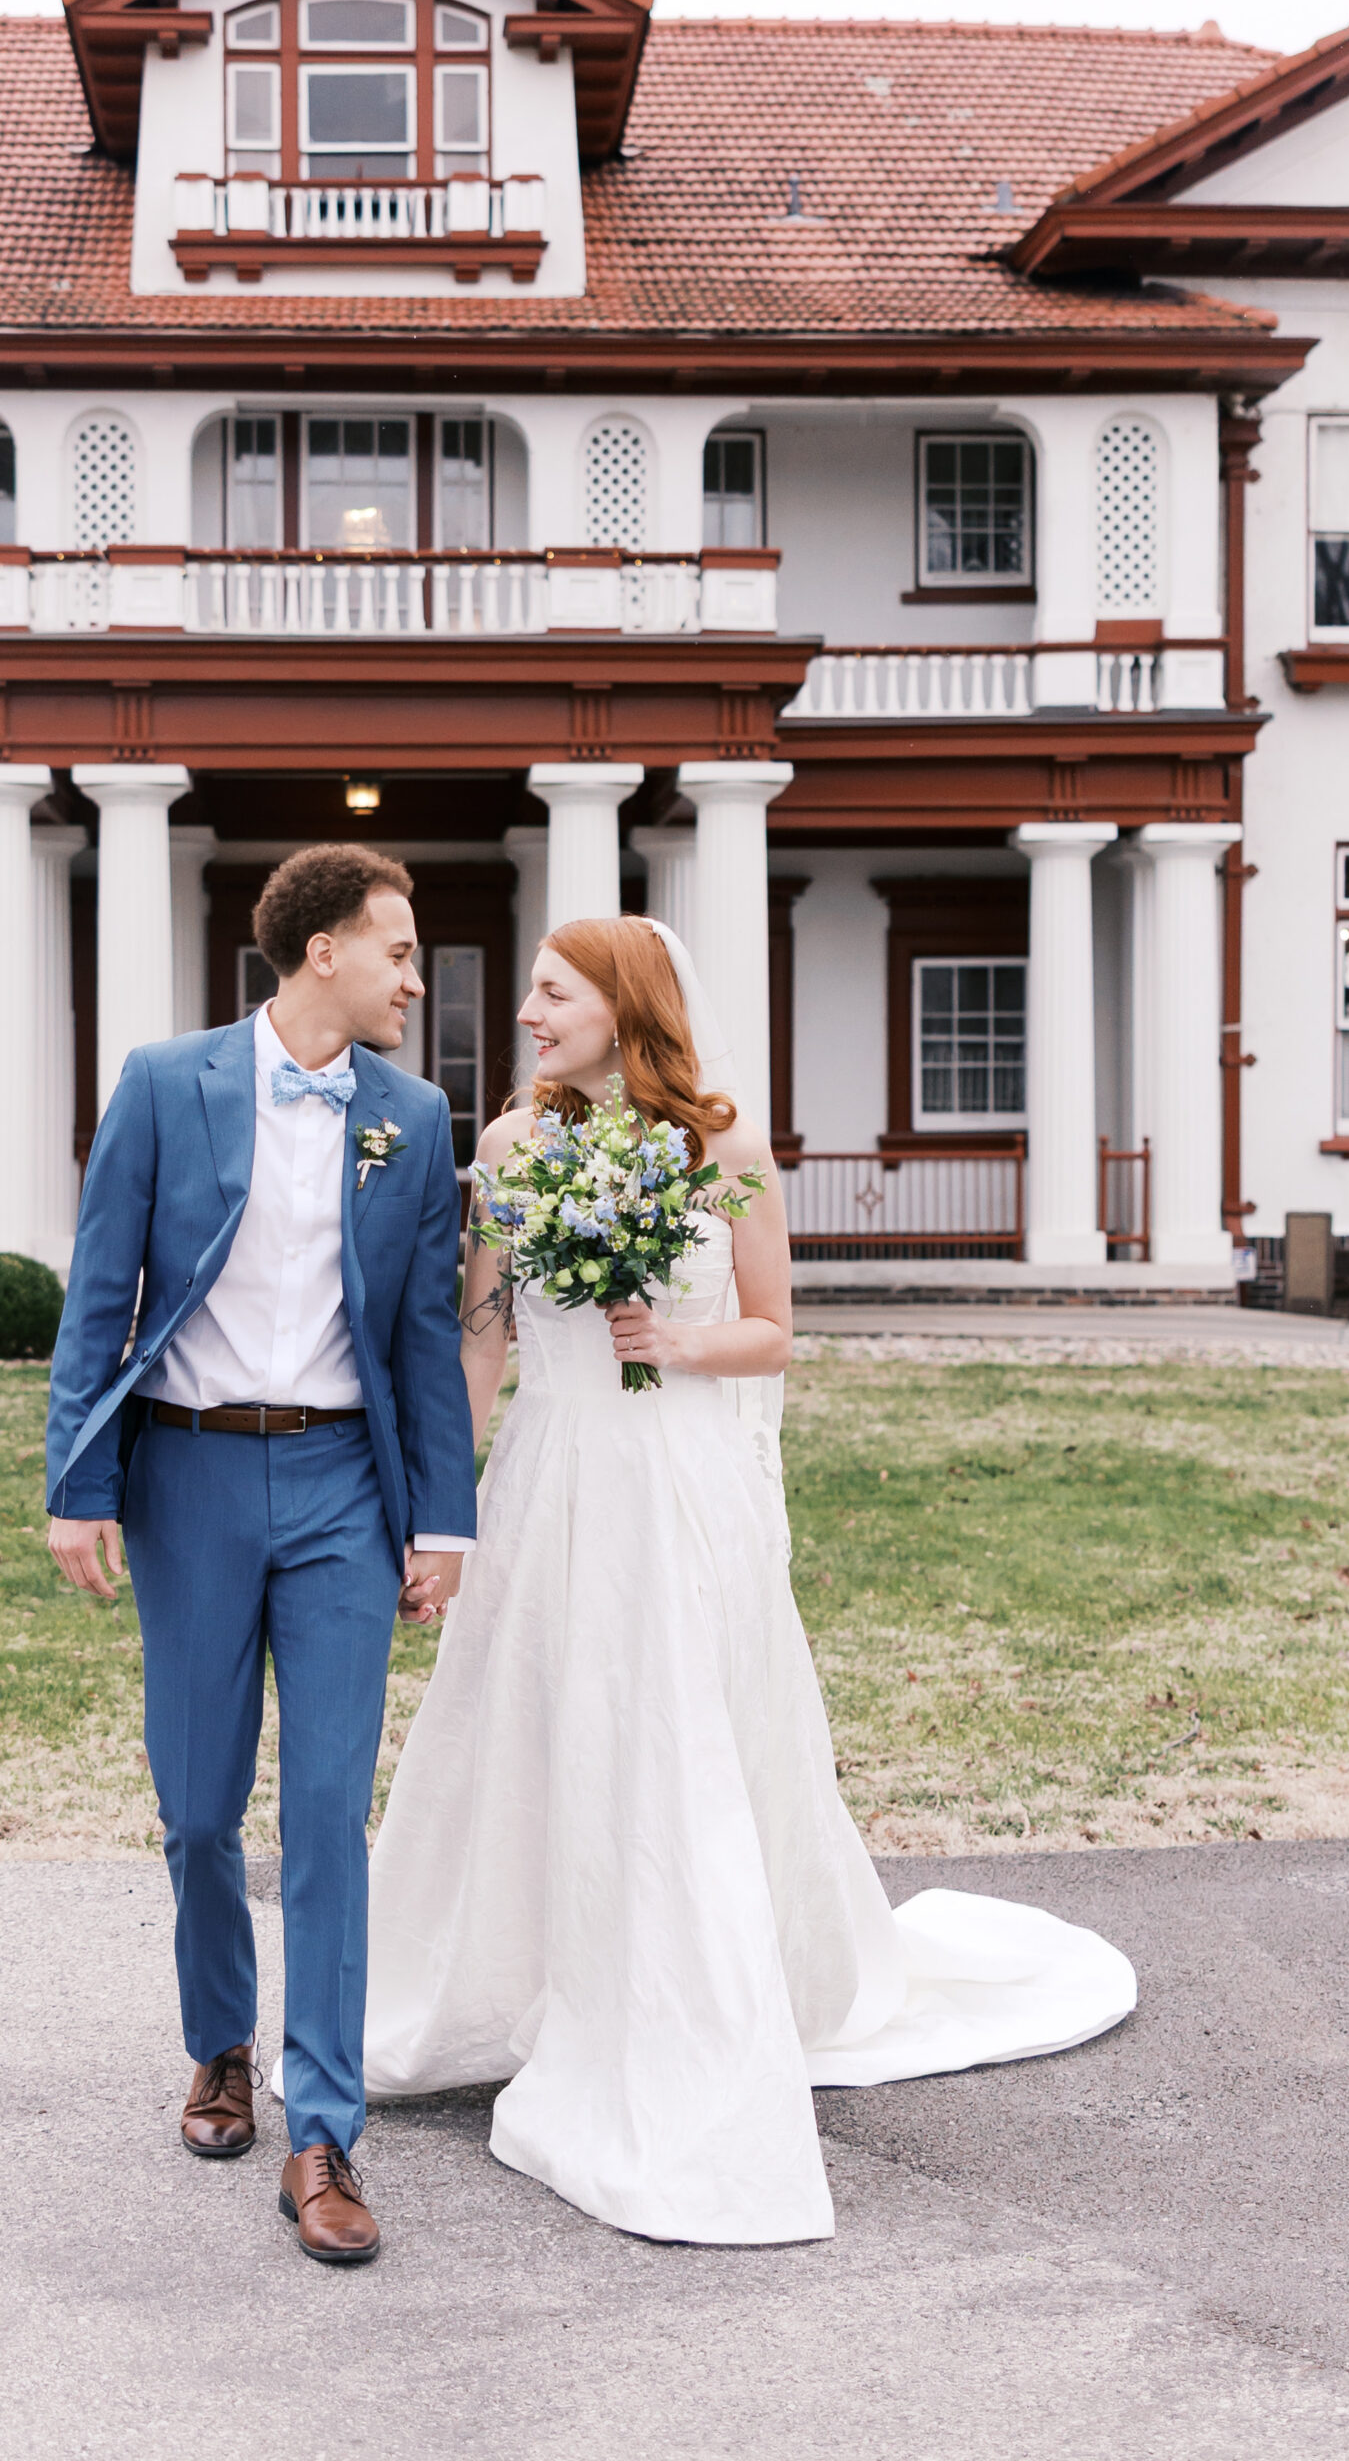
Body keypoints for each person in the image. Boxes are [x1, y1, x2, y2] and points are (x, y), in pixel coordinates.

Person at [361, 913, 1135, 2246]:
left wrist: (677, 1338)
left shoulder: (723, 1146)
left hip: (673, 1484)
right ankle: (519, 1978)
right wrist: (443, 1512)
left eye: (552, 995)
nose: (529, 1016)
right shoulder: (506, 1149)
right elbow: (479, 1343)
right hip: (548, 1478)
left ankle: (672, 1999)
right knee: (532, 1723)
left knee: (667, 1738)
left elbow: (775, 1336)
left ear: (624, 1004)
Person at [45, 844, 477, 2267]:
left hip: (346, 1487)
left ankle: (321, 2132)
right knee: (196, 1802)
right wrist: (78, 1482)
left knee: (330, 1813)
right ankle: (217, 2043)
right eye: (398, 951)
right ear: (320, 955)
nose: (416, 977)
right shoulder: (170, 1083)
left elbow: (420, 1334)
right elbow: (101, 1293)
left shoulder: (413, 1119)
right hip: (192, 1475)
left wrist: (441, 1518)